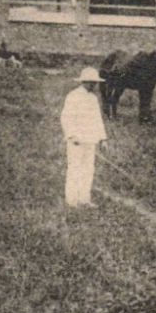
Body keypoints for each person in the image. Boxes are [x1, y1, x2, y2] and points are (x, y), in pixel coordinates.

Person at [61, 66, 108, 207]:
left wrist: (103, 139)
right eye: (92, 83)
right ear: (85, 82)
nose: (94, 85)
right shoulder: (73, 96)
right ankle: (72, 201)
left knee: (88, 170)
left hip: (90, 140)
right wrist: (71, 135)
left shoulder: (93, 99)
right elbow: (65, 118)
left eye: (95, 83)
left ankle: (84, 199)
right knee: (75, 168)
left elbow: (97, 119)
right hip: (76, 141)